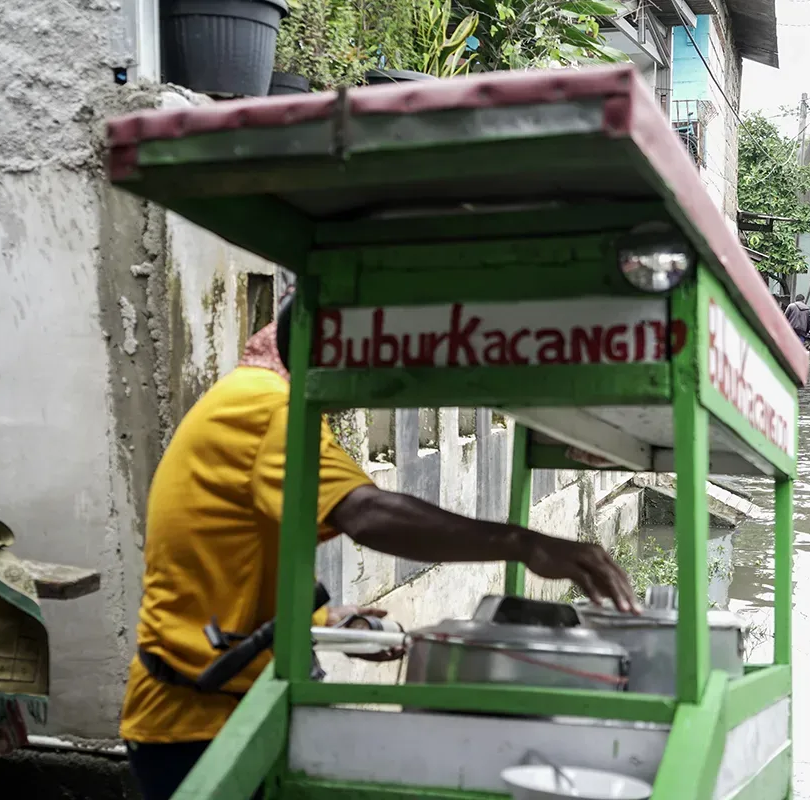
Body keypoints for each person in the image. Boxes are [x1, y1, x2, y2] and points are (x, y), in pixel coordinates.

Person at [119, 302, 638, 800]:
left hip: (224, 707)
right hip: (197, 722)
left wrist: (325, 616)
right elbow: (366, 515)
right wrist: (521, 543)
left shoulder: (262, 398)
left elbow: (234, 554)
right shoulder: (268, 408)